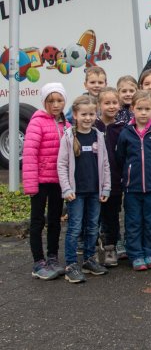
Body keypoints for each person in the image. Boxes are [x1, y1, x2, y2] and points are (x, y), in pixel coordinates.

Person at [116, 91, 151, 271]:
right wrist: (128, 175)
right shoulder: (126, 133)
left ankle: (149, 252)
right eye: (139, 108)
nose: (143, 112)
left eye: (147, 109)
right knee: (133, 221)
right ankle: (136, 255)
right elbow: (120, 157)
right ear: (132, 109)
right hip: (132, 187)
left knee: (150, 221)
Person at [57, 95, 111, 283]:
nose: (88, 118)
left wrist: (106, 188)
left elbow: (105, 164)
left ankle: (89, 259)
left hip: (95, 191)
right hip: (76, 193)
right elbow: (62, 165)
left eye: (92, 114)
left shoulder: (98, 135)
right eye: (84, 114)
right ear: (75, 115)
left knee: (92, 227)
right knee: (75, 228)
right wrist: (66, 189)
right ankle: (71, 264)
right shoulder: (69, 137)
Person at [23, 83, 70, 280]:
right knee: (37, 221)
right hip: (41, 181)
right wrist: (31, 184)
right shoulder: (37, 122)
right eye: (51, 101)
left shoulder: (66, 125)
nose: (56, 105)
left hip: (58, 181)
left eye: (59, 100)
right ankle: (38, 262)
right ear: (44, 102)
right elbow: (30, 154)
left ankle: (52, 257)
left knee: (54, 221)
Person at [95, 88, 123, 266]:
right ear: (99, 105)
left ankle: (111, 248)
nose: (111, 106)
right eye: (107, 103)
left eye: (114, 102)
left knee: (112, 215)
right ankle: (94, 249)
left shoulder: (121, 130)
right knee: (94, 217)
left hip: (114, 181)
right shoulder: (92, 127)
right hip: (94, 182)